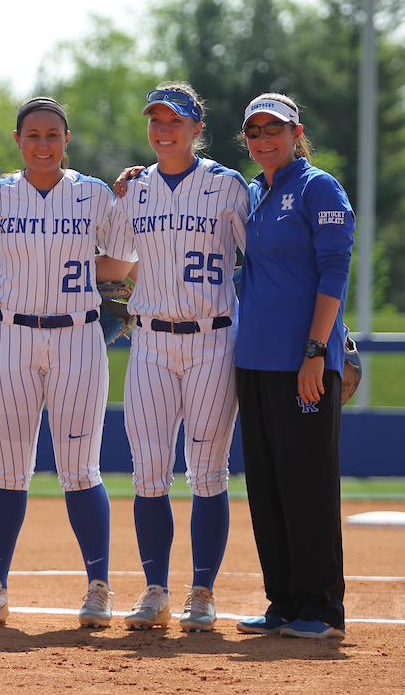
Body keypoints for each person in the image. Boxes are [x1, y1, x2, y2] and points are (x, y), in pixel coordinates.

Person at [0, 97, 123, 628]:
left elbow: (123, 260)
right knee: (8, 470)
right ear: (18, 140)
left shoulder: (94, 195)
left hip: (78, 336)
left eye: (52, 134)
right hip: (11, 334)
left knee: (80, 470)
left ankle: (98, 587)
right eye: (32, 135)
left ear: (67, 140)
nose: (42, 144)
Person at [106, 84, 249, 631]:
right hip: (150, 342)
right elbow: (115, 264)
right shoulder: (135, 190)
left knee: (209, 472)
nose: (163, 130)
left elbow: (262, 261)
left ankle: (203, 593)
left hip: (213, 339)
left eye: (175, 121)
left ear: (196, 129)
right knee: (149, 473)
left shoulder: (226, 186)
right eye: (155, 121)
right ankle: (155, 591)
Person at [232, 93, 354, 640]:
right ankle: (283, 601)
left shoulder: (317, 186)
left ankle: (321, 609)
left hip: (302, 361)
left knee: (307, 484)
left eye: (273, 129)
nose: (264, 139)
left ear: (295, 131)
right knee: (268, 486)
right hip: (254, 359)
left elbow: (335, 268)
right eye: (254, 131)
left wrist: (315, 351)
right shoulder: (255, 191)